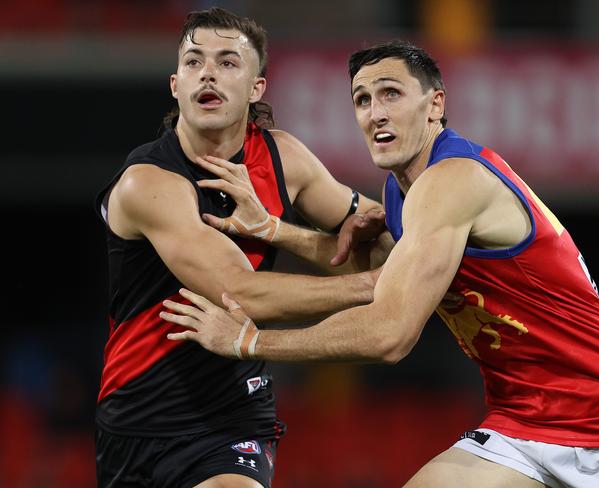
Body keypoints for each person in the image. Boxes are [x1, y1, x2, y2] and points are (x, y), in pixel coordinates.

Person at [161, 40, 599, 487]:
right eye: (362, 100)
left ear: (435, 104)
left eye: (391, 93)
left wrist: (248, 341)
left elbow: (389, 334)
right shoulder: (400, 191)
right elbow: (382, 276)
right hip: (522, 419)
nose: (375, 113)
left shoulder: (452, 180)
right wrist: (274, 230)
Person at [94, 7, 388, 488]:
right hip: (138, 421)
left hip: (233, 417)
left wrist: (279, 231)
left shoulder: (283, 158)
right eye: (194, 62)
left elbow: (378, 246)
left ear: (257, 88)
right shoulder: (146, 183)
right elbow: (240, 293)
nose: (208, 72)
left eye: (228, 62)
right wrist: (375, 286)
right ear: (175, 85)